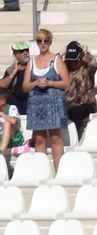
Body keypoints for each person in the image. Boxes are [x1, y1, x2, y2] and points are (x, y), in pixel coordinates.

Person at [22, 28, 65, 170]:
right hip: (36, 104)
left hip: (54, 102)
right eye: (40, 41)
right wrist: (36, 83)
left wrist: (50, 83)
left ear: (50, 42)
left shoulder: (57, 60)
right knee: (39, 139)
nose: (43, 44)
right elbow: (25, 86)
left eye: (46, 41)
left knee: (55, 138)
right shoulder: (32, 62)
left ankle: (60, 172)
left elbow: (67, 82)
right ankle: (42, 171)